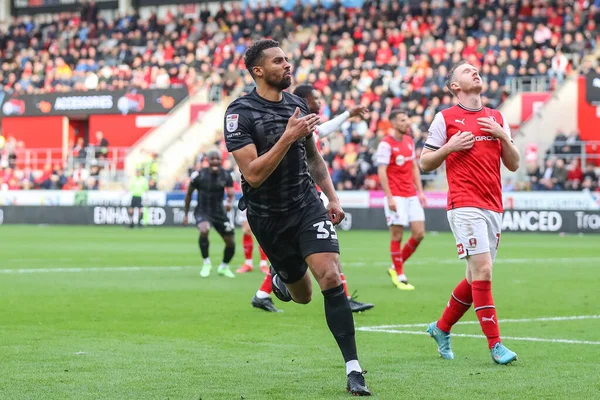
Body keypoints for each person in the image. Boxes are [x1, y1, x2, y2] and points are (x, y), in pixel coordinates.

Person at [223, 39, 371, 396]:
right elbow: (254, 174)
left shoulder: (297, 104)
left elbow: (314, 157)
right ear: (258, 71)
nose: (287, 65)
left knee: (331, 276)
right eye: (278, 61)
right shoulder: (239, 114)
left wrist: (332, 197)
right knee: (302, 294)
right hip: (267, 216)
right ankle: (280, 280)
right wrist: (288, 137)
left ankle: (353, 368)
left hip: (307, 204)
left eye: (288, 60)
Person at [420, 60, 520, 365]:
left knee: (473, 276)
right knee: (484, 271)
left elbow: (513, 164)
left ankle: (441, 327)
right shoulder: (446, 118)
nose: (474, 71)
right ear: (455, 86)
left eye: (475, 68)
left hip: (493, 206)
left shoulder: (497, 117)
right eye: (466, 71)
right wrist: (449, 147)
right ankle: (495, 345)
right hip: (464, 204)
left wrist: (502, 136)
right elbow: (424, 162)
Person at [292, 83, 374, 313]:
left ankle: (344, 298)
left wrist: (349, 113)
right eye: (316, 98)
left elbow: (325, 129)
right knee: (306, 252)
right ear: (306, 101)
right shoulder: (293, 127)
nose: (320, 102)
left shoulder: (309, 128)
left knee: (326, 249)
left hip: (311, 195)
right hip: (302, 197)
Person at [375, 110, 427, 290]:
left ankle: (394, 266)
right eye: (403, 121)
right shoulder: (385, 144)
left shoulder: (409, 141)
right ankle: (400, 275)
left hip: (411, 194)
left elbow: (413, 167)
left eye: (408, 120)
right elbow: (381, 171)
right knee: (397, 235)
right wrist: (389, 196)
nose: (407, 123)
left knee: (419, 233)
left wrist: (420, 192)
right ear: (394, 124)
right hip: (395, 195)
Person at [183, 150, 236, 278]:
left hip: (219, 212)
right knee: (204, 230)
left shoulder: (227, 175)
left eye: (217, 159)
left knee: (230, 241)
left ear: (221, 160)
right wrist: (186, 214)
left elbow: (230, 194)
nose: (215, 162)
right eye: (212, 159)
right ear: (207, 160)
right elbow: (189, 194)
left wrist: (229, 202)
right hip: (203, 210)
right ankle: (206, 263)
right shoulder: (199, 175)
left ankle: (224, 267)